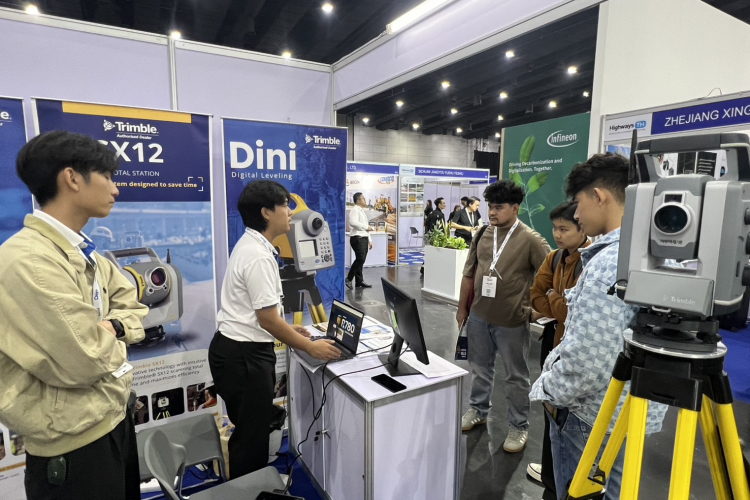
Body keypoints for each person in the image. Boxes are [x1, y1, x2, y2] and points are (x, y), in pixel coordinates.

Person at [0, 130, 149, 500]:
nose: (115, 189)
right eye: (107, 177)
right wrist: (114, 335)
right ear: (71, 178)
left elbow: (133, 306)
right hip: (72, 445)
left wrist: (111, 326)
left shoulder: (84, 252)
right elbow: (85, 359)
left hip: (111, 419)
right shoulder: (30, 262)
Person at [529, 154, 667, 500]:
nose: (576, 215)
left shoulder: (609, 263)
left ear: (599, 196)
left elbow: (587, 359)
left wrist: (550, 394)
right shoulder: (650, 251)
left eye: (578, 203)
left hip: (590, 416)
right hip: (627, 410)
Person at [209, 180, 340, 479]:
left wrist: (293, 330)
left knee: (250, 430)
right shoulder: (257, 256)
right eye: (284, 205)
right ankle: (249, 491)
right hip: (245, 357)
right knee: (251, 437)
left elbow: (264, 315)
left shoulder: (253, 246)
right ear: (266, 212)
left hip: (236, 351)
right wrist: (310, 346)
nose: (291, 212)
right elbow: (267, 320)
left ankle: (250, 485)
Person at [456, 180, 550, 453]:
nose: (492, 212)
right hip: (479, 316)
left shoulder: (531, 239)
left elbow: (550, 280)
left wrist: (537, 312)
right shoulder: (482, 234)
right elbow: (469, 274)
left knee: (515, 377)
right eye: (490, 207)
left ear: (515, 208)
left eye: (498, 207)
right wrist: (462, 309)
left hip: (512, 321)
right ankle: (478, 410)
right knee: (480, 368)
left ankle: (519, 426)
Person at [525, 201, 589, 500]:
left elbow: (569, 312)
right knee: (550, 413)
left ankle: (565, 483)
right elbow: (536, 296)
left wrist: (553, 299)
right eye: (555, 228)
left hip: (574, 350)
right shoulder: (553, 258)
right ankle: (551, 477)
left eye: (564, 229)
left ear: (582, 228)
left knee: (570, 420)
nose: (557, 235)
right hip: (552, 344)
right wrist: (556, 300)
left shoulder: (590, 262)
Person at [346, 192, 373, 289]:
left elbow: (366, 228)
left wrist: (369, 240)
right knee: (360, 259)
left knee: (361, 260)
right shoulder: (355, 210)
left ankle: (359, 281)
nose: (365, 200)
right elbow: (353, 222)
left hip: (363, 237)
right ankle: (349, 278)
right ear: (358, 201)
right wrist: (366, 227)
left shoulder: (362, 211)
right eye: (363, 198)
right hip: (357, 238)